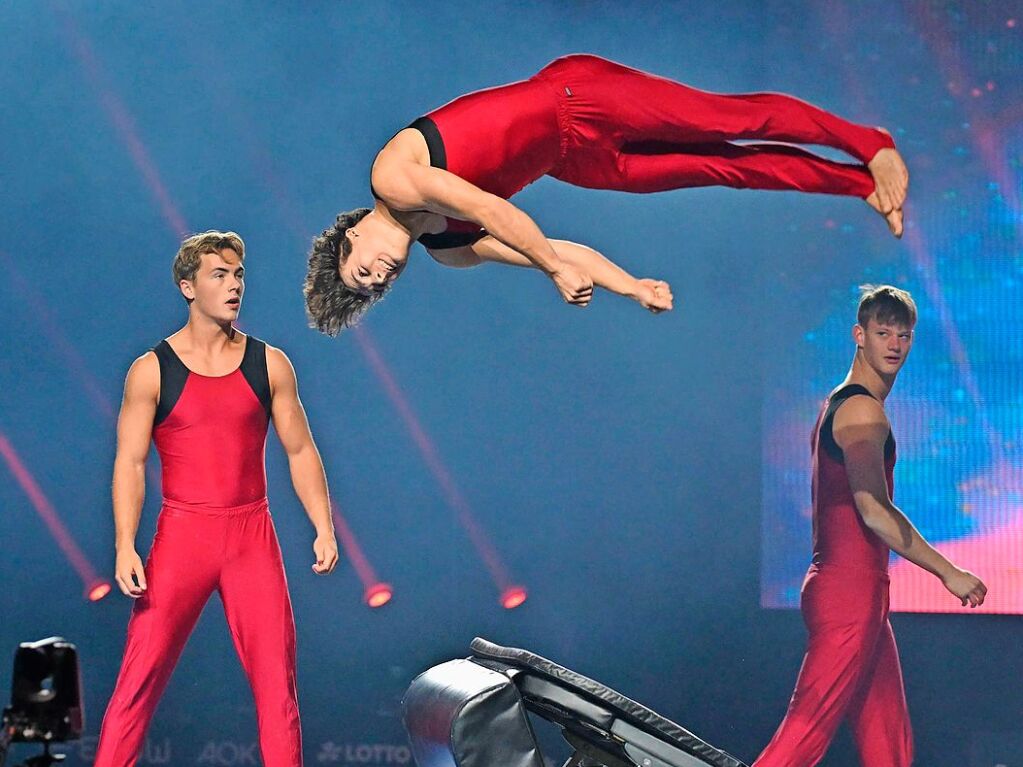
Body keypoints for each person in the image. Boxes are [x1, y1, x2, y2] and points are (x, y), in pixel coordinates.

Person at [304, 54, 908, 334]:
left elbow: (492, 207)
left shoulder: (391, 175)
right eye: (376, 287)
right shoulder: (450, 250)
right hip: (575, 160)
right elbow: (561, 254)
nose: (379, 276)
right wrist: (631, 286)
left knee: (732, 121)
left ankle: (866, 142)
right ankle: (859, 184)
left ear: (351, 236)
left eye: (362, 272)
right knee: (722, 168)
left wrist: (550, 268)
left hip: (580, 96)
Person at [95, 231, 339, 767]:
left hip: (252, 537)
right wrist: (124, 545)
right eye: (219, 275)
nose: (234, 287)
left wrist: (323, 525)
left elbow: (300, 451)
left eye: (239, 276)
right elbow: (130, 463)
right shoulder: (151, 371)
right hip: (183, 535)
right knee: (137, 683)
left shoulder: (270, 364)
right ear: (188, 286)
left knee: (278, 689)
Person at [754, 285, 986, 767]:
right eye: (884, 333)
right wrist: (948, 572)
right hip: (848, 594)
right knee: (804, 734)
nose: (895, 344)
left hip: (860, 596)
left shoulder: (842, 403)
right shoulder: (862, 411)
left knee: (889, 742)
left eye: (904, 334)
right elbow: (873, 509)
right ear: (860, 336)